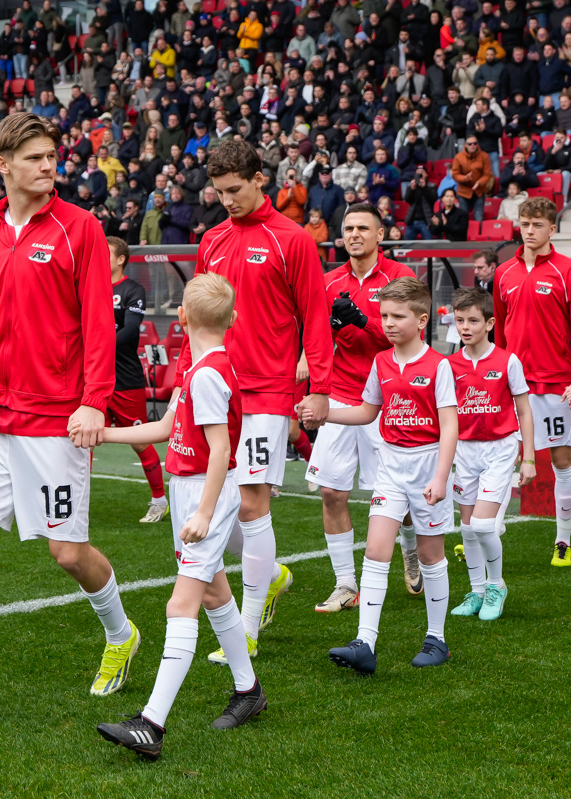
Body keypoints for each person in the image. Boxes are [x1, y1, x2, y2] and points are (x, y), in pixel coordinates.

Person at [0, 113, 138, 729]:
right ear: (3, 165)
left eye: (51, 156)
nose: (48, 166)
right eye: (35, 158)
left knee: (67, 552)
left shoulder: (80, 227)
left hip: (54, 414)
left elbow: (98, 322)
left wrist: (94, 399)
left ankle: (120, 633)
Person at [173, 140, 333, 663]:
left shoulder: (293, 239)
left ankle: (247, 630)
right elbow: (197, 315)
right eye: (219, 192)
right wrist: (184, 378)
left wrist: (319, 387)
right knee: (224, 507)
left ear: (260, 179)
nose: (227, 200)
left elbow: (314, 315)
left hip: (266, 389)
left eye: (235, 189)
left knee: (249, 503)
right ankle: (272, 574)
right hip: (216, 387)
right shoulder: (212, 239)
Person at [95, 273, 265, 760]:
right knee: (214, 593)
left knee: (181, 604)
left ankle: (151, 724)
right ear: (232, 319)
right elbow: (167, 427)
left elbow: (220, 451)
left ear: (182, 316)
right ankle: (249, 690)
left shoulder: (208, 374)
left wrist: (205, 514)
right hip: (190, 488)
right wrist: (103, 434)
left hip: (203, 494)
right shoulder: (199, 368)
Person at [315, 277, 458, 674]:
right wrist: (326, 413)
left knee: (430, 556)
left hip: (427, 467)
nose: (389, 323)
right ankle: (365, 642)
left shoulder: (439, 365)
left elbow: (450, 426)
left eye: (398, 316)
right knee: (377, 550)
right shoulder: (381, 361)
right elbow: (367, 411)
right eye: (384, 316)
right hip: (391, 467)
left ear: (422, 320)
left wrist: (440, 477)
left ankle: (437, 639)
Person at [304, 204, 416, 613]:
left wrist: (362, 321)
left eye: (363, 228)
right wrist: (329, 329)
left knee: (397, 495)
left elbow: (408, 340)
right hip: (340, 394)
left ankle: (410, 550)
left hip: (389, 398)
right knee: (332, 492)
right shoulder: (329, 281)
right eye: (349, 228)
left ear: (380, 234)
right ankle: (345, 583)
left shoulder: (400, 277)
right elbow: (316, 338)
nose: (354, 234)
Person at [499, 198, 571, 567]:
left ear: (552, 229)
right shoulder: (504, 273)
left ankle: (563, 541)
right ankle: (487, 530)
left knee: (562, 460)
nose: (529, 230)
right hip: (512, 384)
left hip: (556, 383)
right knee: (500, 456)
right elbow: (498, 333)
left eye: (537, 224)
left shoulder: (568, 270)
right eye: (524, 224)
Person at [447, 287, 535, 620]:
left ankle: (496, 585)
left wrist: (528, 458)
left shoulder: (508, 361)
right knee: (468, 529)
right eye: (460, 320)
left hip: (500, 449)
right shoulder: (449, 365)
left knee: (483, 525)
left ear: (489, 323)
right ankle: (477, 591)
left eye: (473, 320)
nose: (465, 327)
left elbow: (524, 411)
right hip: (464, 451)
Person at [106, 236, 168, 523]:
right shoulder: (90, 286)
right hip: (93, 378)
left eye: (106, 254)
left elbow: (131, 330)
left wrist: (98, 348)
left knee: (140, 442)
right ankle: (77, 500)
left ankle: (159, 500)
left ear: (121, 259)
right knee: (82, 439)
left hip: (125, 379)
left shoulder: (133, 289)